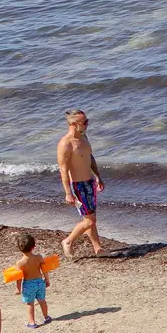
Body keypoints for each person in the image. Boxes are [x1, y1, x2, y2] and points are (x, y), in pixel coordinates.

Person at [57, 109, 105, 257]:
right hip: (78, 186)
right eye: (84, 122)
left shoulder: (84, 137)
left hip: (89, 182)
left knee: (89, 218)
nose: (87, 124)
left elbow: (90, 158)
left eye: (87, 121)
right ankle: (68, 241)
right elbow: (63, 170)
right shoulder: (66, 144)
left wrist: (97, 176)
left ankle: (98, 249)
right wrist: (68, 193)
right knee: (90, 220)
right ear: (73, 124)